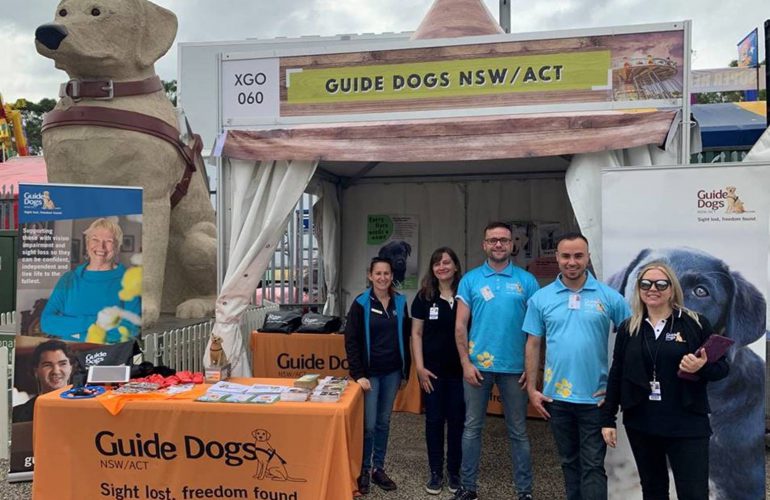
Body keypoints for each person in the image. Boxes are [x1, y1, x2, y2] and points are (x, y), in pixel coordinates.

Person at [601, 261, 729, 500]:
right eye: (646, 284)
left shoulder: (694, 323)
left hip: (687, 422)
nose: (653, 289)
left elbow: (722, 368)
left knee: (694, 494)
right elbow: (617, 373)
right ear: (638, 288)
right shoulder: (629, 328)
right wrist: (607, 418)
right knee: (653, 491)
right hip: (643, 422)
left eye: (661, 284)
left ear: (672, 289)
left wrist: (702, 367)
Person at [523, 233, 630, 500]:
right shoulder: (541, 298)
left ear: (588, 258)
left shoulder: (609, 297)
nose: (572, 262)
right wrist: (532, 390)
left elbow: (633, 341)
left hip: (596, 399)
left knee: (592, 466)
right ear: (557, 258)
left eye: (578, 256)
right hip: (556, 398)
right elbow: (533, 344)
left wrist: (617, 390)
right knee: (569, 462)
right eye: (566, 256)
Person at [450, 222, 539, 500]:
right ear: (484, 245)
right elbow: (460, 326)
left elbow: (536, 331)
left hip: (516, 369)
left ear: (512, 245)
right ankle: (468, 487)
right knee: (472, 429)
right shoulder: (470, 280)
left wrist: (532, 369)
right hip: (477, 368)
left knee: (518, 432)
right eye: (492, 240)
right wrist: (465, 363)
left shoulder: (527, 281)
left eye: (503, 240)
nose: (498, 244)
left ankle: (524, 492)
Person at [344, 257, 411, 495]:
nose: (383, 278)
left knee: (384, 422)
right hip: (369, 376)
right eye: (378, 273)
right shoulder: (360, 303)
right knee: (370, 425)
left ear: (392, 276)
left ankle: (378, 469)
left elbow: (406, 337)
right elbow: (351, 341)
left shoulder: (400, 302)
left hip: (392, 373)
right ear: (370, 276)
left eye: (387, 273)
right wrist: (358, 374)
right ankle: (363, 469)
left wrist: (405, 371)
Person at [411, 247, 464, 495]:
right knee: (433, 422)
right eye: (437, 263)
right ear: (432, 269)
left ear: (455, 266)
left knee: (457, 423)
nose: (441, 267)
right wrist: (420, 367)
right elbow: (416, 334)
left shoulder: (466, 294)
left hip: (460, 373)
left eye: (446, 262)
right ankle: (435, 472)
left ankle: (454, 471)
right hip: (432, 373)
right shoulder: (424, 297)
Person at [41, 218, 141, 343]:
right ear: (87, 244)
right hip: (70, 352)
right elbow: (47, 323)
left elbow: (131, 329)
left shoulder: (129, 280)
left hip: (110, 353)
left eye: (109, 241)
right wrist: (97, 321)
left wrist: (77, 333)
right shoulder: (69, 279)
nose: (101, 246)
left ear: (117, 247)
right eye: (95, 239)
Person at [13, 340, 73, 422]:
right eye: (47, 365)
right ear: (36, 371)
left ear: (71, 368)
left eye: (62, 364)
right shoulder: (16, 415)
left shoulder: (86, 405)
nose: (56, 371)